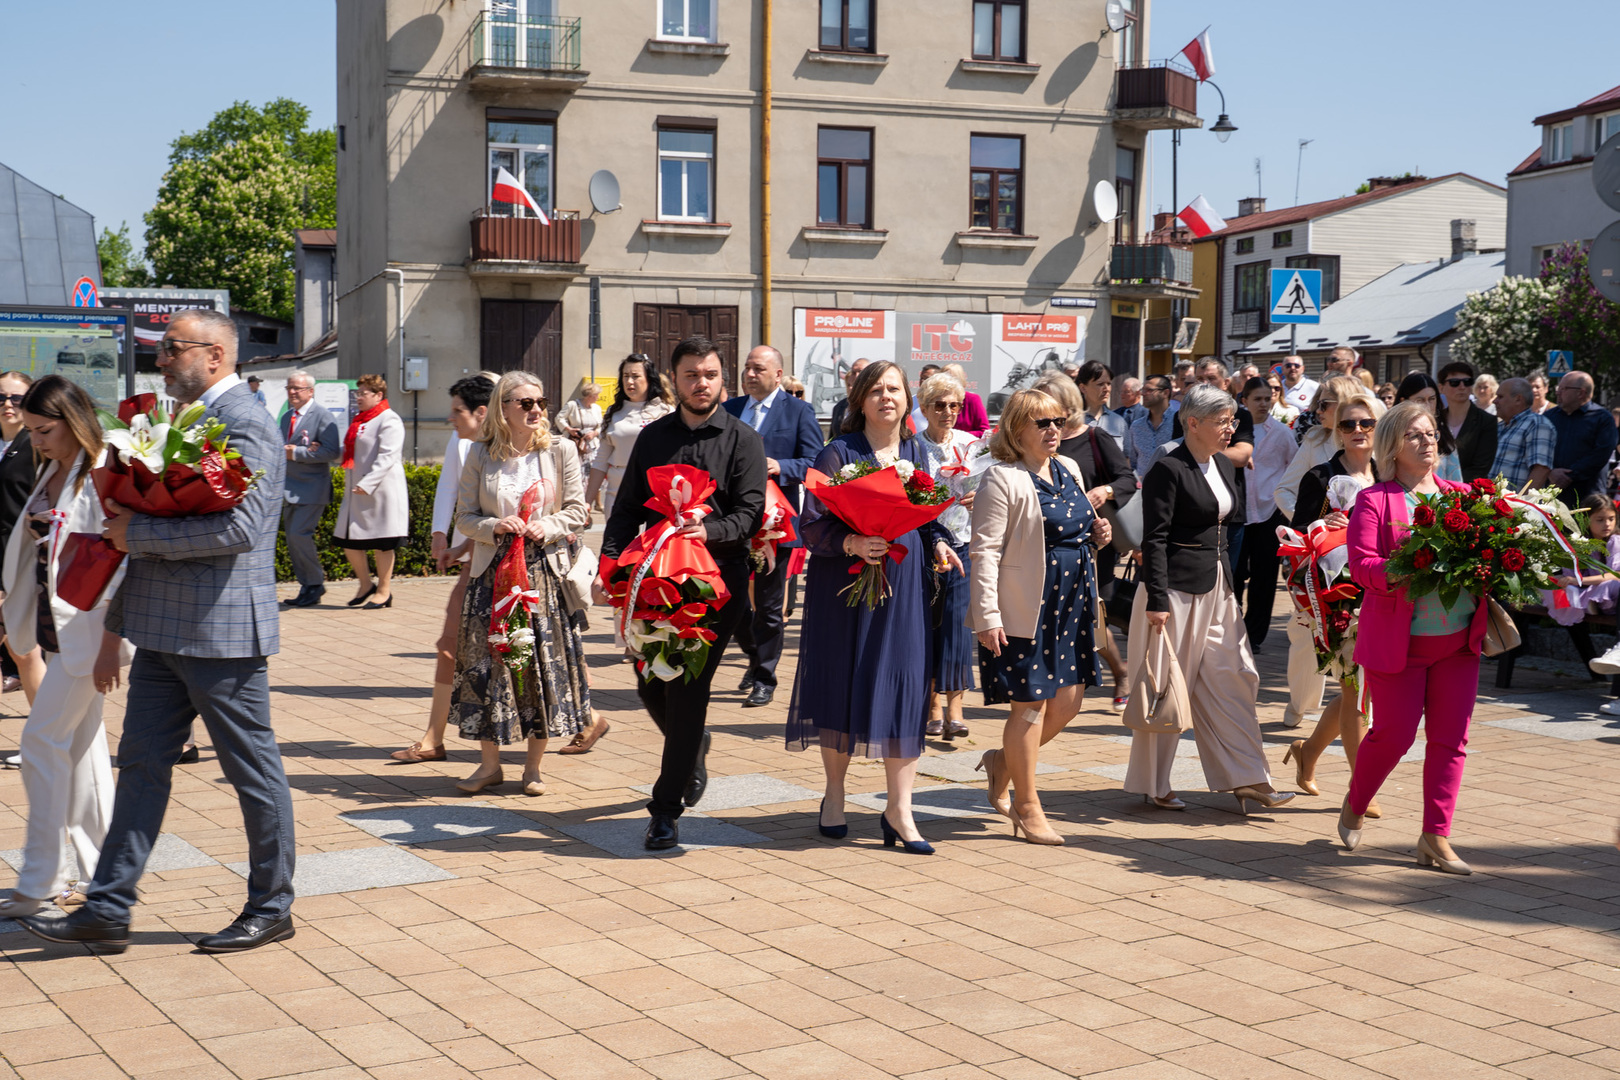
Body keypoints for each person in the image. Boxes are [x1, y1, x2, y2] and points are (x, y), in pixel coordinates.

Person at [20, 307, 294, 954]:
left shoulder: (246, 422)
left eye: (173, 348)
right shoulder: (186, 420)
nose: (161, 359)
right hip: (162, 629)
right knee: (141, 767)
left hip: (222, 634)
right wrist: (118, 623)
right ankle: (108, 908)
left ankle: (271, 905)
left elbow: (241, 530)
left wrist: (135, 531)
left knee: (251, 773)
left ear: (216, 355)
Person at [600, 337, 766, 851]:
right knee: (650, 680)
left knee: (687, 685)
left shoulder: (743, 440)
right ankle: (692, 745)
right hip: (654, 579)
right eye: (692, 374)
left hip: (717, 584)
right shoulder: (653, 437)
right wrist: (610, 565)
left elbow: (750, 514)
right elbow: (627, 508)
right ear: (675, 379)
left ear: (723, 379)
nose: (702, 383)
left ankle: (665, 810)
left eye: (710, 374)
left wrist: (707, 531)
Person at [787, 361, 958, 854]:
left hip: (902, 580)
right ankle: (835, 794)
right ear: (860, 400)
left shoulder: (916, 450)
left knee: (905, 683)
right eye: (877, 390)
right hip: (845, 584)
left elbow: (926, 513)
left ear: (907, 400)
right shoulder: (838, 452)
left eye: (895, 389)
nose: (887, 397)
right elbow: (812, 524)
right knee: (842, 681)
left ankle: (899, 809)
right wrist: (854, 543)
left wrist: (938, 541)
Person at [1126, 384, 1294, 814]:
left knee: (1234, 678)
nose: (1230, 429)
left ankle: (1249, 778)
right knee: (1167, 687)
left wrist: (1229, 587)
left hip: (1218, 588)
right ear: (1193, 423)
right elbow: (1155, 538)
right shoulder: (1168, 467)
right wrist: (1157, 599)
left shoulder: (1221, 462)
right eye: (1222, 422)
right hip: (1174, 592)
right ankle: (1154, 783)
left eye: (1232, 421)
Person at [1339, 402, 1490, 874]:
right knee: (1394, 736)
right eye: (1415, 436)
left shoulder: (1462, 498)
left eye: (1431, 434)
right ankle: (1356, 801)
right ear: (1392, 446)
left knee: (1451, 741)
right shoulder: (1374, 500)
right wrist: (1406, 564)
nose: (1428, 442)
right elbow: (1362, 565)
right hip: (1400, 643)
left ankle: (1435, 836)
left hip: (1458, 640)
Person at [0, 377, 132, 918]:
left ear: (73, 421)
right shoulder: (54, 466)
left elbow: (123, 561)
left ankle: (40, 880)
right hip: (55, 628)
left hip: (89, 634)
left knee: (39, 742)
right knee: (82, 754)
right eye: (30, 431)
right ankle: (104, 877)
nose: (35, 441)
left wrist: (110, 645)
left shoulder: (105, 468)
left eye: (43, 430)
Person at [971, 389, 1110, 845]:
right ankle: (1027, 806)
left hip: (1073, 602)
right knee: (1030, 706)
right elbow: (985, 552)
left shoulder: (1068, 468)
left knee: (1068, 703)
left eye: (1058, 421)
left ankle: (1002, 762)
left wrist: (1097, 534)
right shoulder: (1002, 478)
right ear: (1017, 430)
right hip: (1026, 606)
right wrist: (987, 615)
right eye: (1043, 423)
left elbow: (1076, 527)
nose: (1054, 430)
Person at [449, 372, 591, 797]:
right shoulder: (480, 453)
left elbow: (577, 510)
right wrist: (494, 525)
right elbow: (464, 517)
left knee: (539, 667)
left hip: (542, 572)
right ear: (503, 408)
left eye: (540, 403)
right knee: (489, 666)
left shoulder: (560, 450)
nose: (535, 410)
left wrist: (546, 526)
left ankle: (533, 769)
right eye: (525, 403)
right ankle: (489, 766)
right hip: (493, 573)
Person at [394, 374, 509, 764]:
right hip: (474, 564)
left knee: (527, 649)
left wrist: (462, 545)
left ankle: (586, 718)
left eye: (457, 411)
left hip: (508, 571)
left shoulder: (508, 455)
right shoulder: (471, 447)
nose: (449, 418)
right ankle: (433, 738)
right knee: (449, 647)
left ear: (482, 412)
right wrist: (450, 541)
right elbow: (458, 497)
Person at [1277, 389, 1384, 803]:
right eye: (1348, 424)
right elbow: (1297, 538)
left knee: (1360, 689)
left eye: (1366, 422)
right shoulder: (1320, 477)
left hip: (1384, 591)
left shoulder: (1390, 474)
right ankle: (1362, 790)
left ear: (1379, 427)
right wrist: (1325, 523)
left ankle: (1307, 752)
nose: (1357, 429)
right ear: (1338, 430)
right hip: (1340, 597)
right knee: (1356, 688)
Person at [723, 345, 823, 707]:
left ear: (778, 374)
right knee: (729, 600)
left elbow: (816, 461)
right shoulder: (730, 409)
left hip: (774, 524)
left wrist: (781, 466)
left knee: (768, 606)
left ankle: (765, 677)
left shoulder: (797, 411)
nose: (750, 374)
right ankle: (754, 656)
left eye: (758, 369)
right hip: (730, 522)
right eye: (747, 368)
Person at [1040, 373, 1134, 707]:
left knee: (1091, 614)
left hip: (1094, 543)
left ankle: (1118, 670)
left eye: (1049, 404)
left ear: (1066, 404)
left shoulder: (1094, 437)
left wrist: (1104, 490)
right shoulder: (1035, 441)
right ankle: (1062, 678)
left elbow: (1126, 478)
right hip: (1047, 545)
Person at [1273, 377, 1361, 728]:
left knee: (1357, 635)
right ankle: (1302, 703)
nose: (1316, 410)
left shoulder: (1381, 450)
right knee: (1305, 631)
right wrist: (1314, 528)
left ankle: (1356, 713)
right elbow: (1284, 490)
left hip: (1363, 559)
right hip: (1317, 553)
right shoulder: (1314, 441)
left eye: (1324, 404)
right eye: (1317, 404)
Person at [914, 372, 978, 739]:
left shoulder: (971, 445)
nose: (949, 411)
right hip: (922, 545)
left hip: (963, 543)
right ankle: (931, 703)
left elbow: (990, 486)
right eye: (940, 405)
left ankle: (956, 705)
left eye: (955, 405)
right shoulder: (912, 448)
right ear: (924, 408)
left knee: (957, 625)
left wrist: (980, 495)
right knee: (928, 625)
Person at [332, 374, 408, 609]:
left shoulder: (389, 419)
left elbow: (388, 456)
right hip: (357, 493)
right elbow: (351, 451)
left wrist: (368, 483)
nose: (358, 397)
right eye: (358, 393)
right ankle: (366, 584)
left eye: (363, 393)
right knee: (347, 540)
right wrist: (324, 452)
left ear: (378, 395)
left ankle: (384, 590)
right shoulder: (361, 421)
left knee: (382, 542)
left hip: (381, 492)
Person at [1233, 377, 1298, 649]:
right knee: (1234, 574)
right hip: (1237, 511)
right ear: (1244, 401)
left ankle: (1255, 636)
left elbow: (1294, 467)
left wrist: (1283, 499)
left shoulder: (1282, 433)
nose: (1263, 403)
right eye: (1256, 399)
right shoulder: (1233, 429)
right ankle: (1232, 630)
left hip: (1268, 511)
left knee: (1264, 576)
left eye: (1267, 398)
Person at [279, 370, 340, 608]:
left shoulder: (323, 416)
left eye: (297, 388)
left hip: (312, 488)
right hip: (289, 488)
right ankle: (307, 586)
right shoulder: (287, 417)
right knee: (293, 540)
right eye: (289, 388)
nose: (292, 392)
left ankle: (315, 583)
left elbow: (331, 451)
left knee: (299, 535)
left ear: (310, 391)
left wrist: (297, 453)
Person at [587, 354, 675, 518]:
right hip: (617, 494)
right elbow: (600, 460)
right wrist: (587, 501)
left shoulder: (666, 412)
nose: (629, 381)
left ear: (649, 378)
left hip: (654, 496)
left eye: (635, 376)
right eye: (625, 376)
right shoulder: (614, 412)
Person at [0, 370, 43, 704]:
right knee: (20, 650)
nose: (8, 404)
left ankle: (46, 725)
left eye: (16, 398)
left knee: (24, 650)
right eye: (1, 397)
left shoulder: (37, 446)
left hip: (17, 561)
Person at [1547, 370, 1617, 507]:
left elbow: (1601, 453)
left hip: (1588, 496)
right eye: (1558, 388)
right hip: (1552, 494)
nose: (1558, 393)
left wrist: (1570, 475)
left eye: (1563, 389)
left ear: (1581, 393)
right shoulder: (1549, 417)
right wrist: (1550, 471)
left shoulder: (1602, 418)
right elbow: (1538, 450)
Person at [1490, 377, 1556, 491]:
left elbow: (1541, 469)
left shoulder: (1537, 424)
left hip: (1515, 500)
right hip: (1493, 499)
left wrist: (1523, 501)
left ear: (1518, 399)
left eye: (1500, 397)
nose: (1494, 401)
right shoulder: (1501, 426)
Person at [1435, 361, 1497, 482]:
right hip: (1432, 486)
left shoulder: (1487, 421)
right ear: (1441, 388)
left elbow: (1481, 467)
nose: (1462, 387)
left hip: (1466, 489)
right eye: (1454, 382)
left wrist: (1448, 486)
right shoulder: (1434, 421)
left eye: (1467, 382)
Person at [1395, 373, 1463, 482]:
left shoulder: (1445, 434)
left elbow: (1455, 479)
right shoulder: (1392, 434)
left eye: (1431, 399)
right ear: (1403, 401)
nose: (1427, 406)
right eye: (1420, 400)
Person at [1127, 375, 1176, 480]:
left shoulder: (1180, 422)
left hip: (1172, 484)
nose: (1143, 393)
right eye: (1143, 390)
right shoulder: (1136, 426)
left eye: (1149, 390)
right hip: (1143, 487)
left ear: (1165, 393)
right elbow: (1132, 462)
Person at [1075, 361, 1129, 454]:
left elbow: (1127, 458)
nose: (1106, 389)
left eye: (1109, 384)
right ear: (1083, 388)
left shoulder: (1118, 422)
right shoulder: (1071, 421)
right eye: (1100, 384)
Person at [555, 382, 603, 464]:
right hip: (576, 443)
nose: (598, 397)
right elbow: (559, 418)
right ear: (590, 395)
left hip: (593, 445)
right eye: (596, 395)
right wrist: (569, 429)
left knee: (593, 467)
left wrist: (595, 433)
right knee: (576, 466)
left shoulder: (596, 408)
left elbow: (601, 425)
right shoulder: (572, 405)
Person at [827, 357, 871, 437]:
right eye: (853, 372)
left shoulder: (877, 403)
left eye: (860, 372)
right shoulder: (839, 407)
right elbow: (833, 436)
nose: (856, 376)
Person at [947, 363, 990, 437]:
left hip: (968, 443)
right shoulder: (937, 401)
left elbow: (984, 431)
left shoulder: (972, 399)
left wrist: (958, 436)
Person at [908, 363, 942, 433]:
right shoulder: (910, 401)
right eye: (921, 378)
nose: (922, 381)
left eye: (926, 378)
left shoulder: (944, 402)